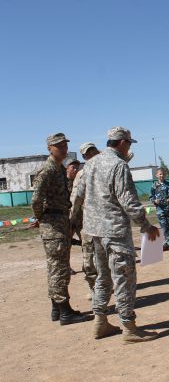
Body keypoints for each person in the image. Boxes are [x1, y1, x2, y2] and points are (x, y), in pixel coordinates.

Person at [73, 127, 160, 343]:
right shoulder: (119, 165)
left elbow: (78, 195)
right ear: (122, 142)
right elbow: (128, 201)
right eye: (129, 143)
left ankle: (100, 322)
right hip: (115, 232)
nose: (129, 148)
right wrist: (146, 225)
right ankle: (129, 328)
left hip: (95, 231)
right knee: (124, 278)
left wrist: (72, 220)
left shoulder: (90, 163)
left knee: (103, 277)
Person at [31, 133, 92, 326]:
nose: (64, 149)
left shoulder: (58, 168)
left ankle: (57, 309)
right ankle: (65, 312)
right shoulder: (47, 169)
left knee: (57, 267)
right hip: (53, 224)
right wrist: (41, 217)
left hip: (59, 221)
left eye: (65, 145)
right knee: (59, 269)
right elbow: (36, 200)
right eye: (59, 146)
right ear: (50, 148)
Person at [70, 142, 100, 300]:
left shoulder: (109, 168)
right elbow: (75, 198)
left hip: (107, 223)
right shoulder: (82, 174)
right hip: (88, 223)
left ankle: (105, 286)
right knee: (88, 258)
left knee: (108, 257)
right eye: (87, 154)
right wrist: (71, 219)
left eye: (92, 151)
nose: (91, 155)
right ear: (84, 157)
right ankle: (94, 288)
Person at [149, 168, 169, 252]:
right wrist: (154, 201)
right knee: (163, 226)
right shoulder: (154, 185)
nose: (162, 175)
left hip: (168, 209)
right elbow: (151, 197)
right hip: (160, 209)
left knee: (168, 226)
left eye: (163, 174)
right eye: (160, 174)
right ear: (157, 175)